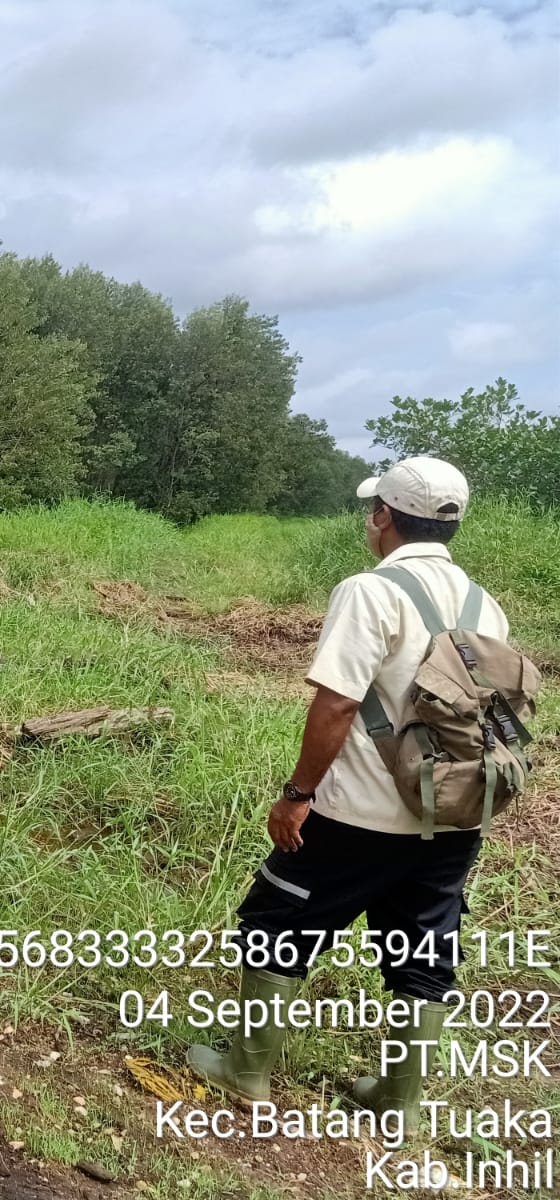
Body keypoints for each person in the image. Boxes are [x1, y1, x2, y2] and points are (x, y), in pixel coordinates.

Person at [187, 456, 519, 1134]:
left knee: (277, 925)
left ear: (384, 518)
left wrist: (297, 793)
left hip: (356, 815)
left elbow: (337, 705)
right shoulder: (488, 605)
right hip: (454, 815)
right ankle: (396, 1102)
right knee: (423, 950)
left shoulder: (371, 592)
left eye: (376, 511)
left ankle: (246, 1071)